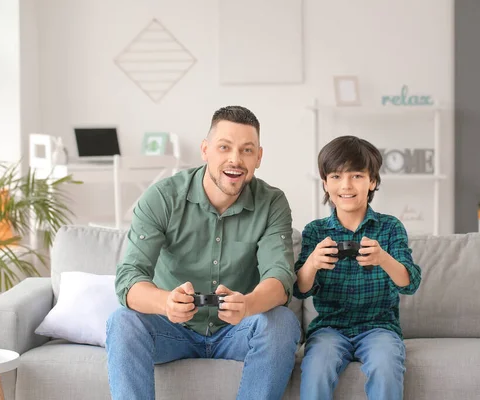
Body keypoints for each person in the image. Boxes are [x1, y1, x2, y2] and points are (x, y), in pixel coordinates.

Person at [106, 106, 301, 400]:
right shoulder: (161, 197)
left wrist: (247, 305)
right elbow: (129, 278)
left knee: (283, 323)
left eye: (247, 150)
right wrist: (166, 302)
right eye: (224, 147)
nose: (235, 159)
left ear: (258, 157)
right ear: (205, 150)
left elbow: (280, 277)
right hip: (171, 329)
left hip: (237, 331)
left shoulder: (272, 203)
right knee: (122, 321)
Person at [294, 135, 422, 400]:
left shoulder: (390, 227)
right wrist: (312, 264)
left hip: (380, 327)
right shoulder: (316, 231)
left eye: (356, 176)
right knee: (317, 367)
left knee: (386, 366)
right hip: (330, 328)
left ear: (372, 181)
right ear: (325, 184)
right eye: (336, 177)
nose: (346, 185)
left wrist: (383, 259)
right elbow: (300, 289)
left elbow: (410, 283)